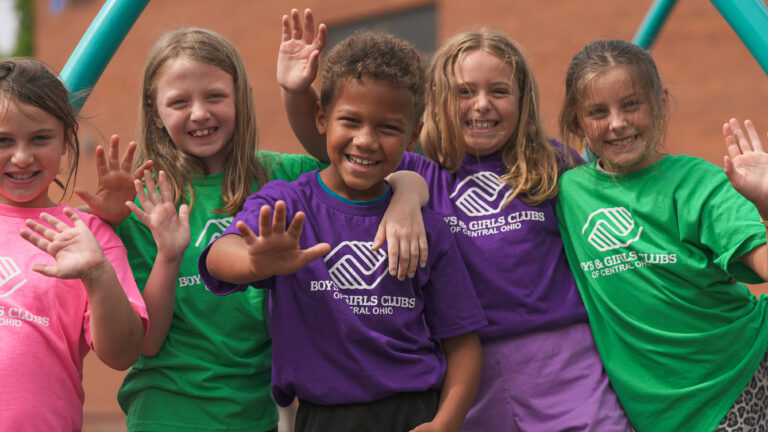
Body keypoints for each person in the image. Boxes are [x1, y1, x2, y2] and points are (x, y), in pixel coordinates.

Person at [279, 10, 630, 430]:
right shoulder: (419, 167)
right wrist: (296, 92)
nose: (482, 104)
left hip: (563, 358)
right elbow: (331, 145)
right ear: (439, 99)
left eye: (499, 91)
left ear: (523, 99)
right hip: (467, 364)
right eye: (465, 91)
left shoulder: (550, 162)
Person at [78, 27, 430, 432]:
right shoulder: (142, 202)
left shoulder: (283, 177)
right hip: (165, 414)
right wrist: (107, 224)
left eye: (214, 96)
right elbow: (140, 341)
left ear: (240, 98)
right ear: (154, 111)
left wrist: (406, 196)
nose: (199, 113)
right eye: (179, 102)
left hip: (256, 415)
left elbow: (371, 169)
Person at [200, 31, 486, 432]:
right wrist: (254, 260)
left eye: (388, 128)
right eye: (350, 121)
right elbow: (218, 255)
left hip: (415, 412)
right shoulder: (287, 202)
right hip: (323, 417)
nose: (366, 140)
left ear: (414, 134)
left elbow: (463, 343)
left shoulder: (426, 226)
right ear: (321, 118)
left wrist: (446, 422)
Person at [556, 39, 768, 431]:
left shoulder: (699, 182)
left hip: (741, 378)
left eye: (631, 104)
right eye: (598, 112)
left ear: (659, 104)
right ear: (576, 122)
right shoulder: (566, 193)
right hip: (657, 414)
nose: (617, 122)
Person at [0, 58, 147, 430]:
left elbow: (124, 353)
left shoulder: (89, 235)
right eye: (3, 141)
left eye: (40, 138)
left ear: (67, 139)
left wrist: (97, 273)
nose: (21, 156)